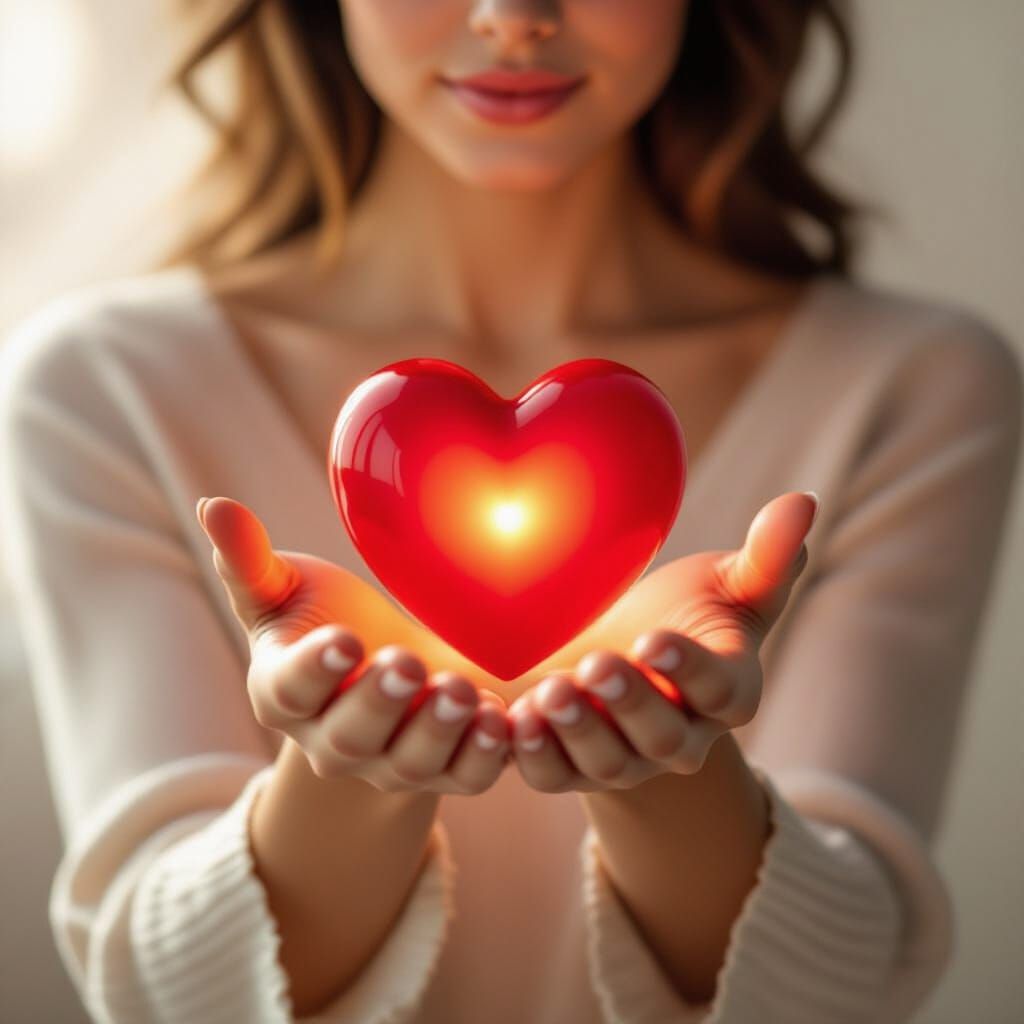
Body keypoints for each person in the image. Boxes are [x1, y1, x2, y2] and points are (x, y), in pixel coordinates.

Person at [0, 2, 1020, 1022]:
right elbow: (169, 997)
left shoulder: (910, 386)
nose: (513, 18)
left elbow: (835, 990)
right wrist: (345, 771)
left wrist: (671, 767)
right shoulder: (107, 388)